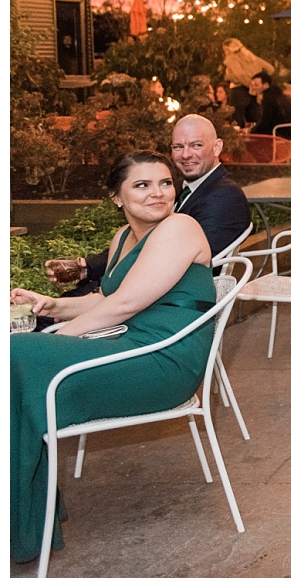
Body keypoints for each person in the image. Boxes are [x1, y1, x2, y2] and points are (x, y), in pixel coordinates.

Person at [11, 151, 217, 564]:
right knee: (19, 360)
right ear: (116, 197)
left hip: (163, 360)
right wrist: (48, 304)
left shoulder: (180, 227)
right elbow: (107, 300)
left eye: (165, 182)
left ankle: (20, 517)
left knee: (18, 353)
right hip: (126, 345)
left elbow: (123, 306)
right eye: (142, 185)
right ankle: (25, 516)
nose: (158, 193)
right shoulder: (123, 238)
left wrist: (57, 344)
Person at [42, 115, 251, 303]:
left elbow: (169, 260)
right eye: (178, 147)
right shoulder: (176, 188)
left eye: (196, 145)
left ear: (217, 148)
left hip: (166, 301)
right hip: (136, 291)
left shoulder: (224, 196)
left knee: (39, 320)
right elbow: (143, 242)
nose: (186, 154)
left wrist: (98, 297)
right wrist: (88, 267)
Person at [248, 71, 291, 140]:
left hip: (281, 132)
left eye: (256, 85)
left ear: (266, 85)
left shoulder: (269, 98)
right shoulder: (278, 95)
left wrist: (251, 132)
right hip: (290, 129)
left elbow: (265, 121)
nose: (254, 87)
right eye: (252, 85)